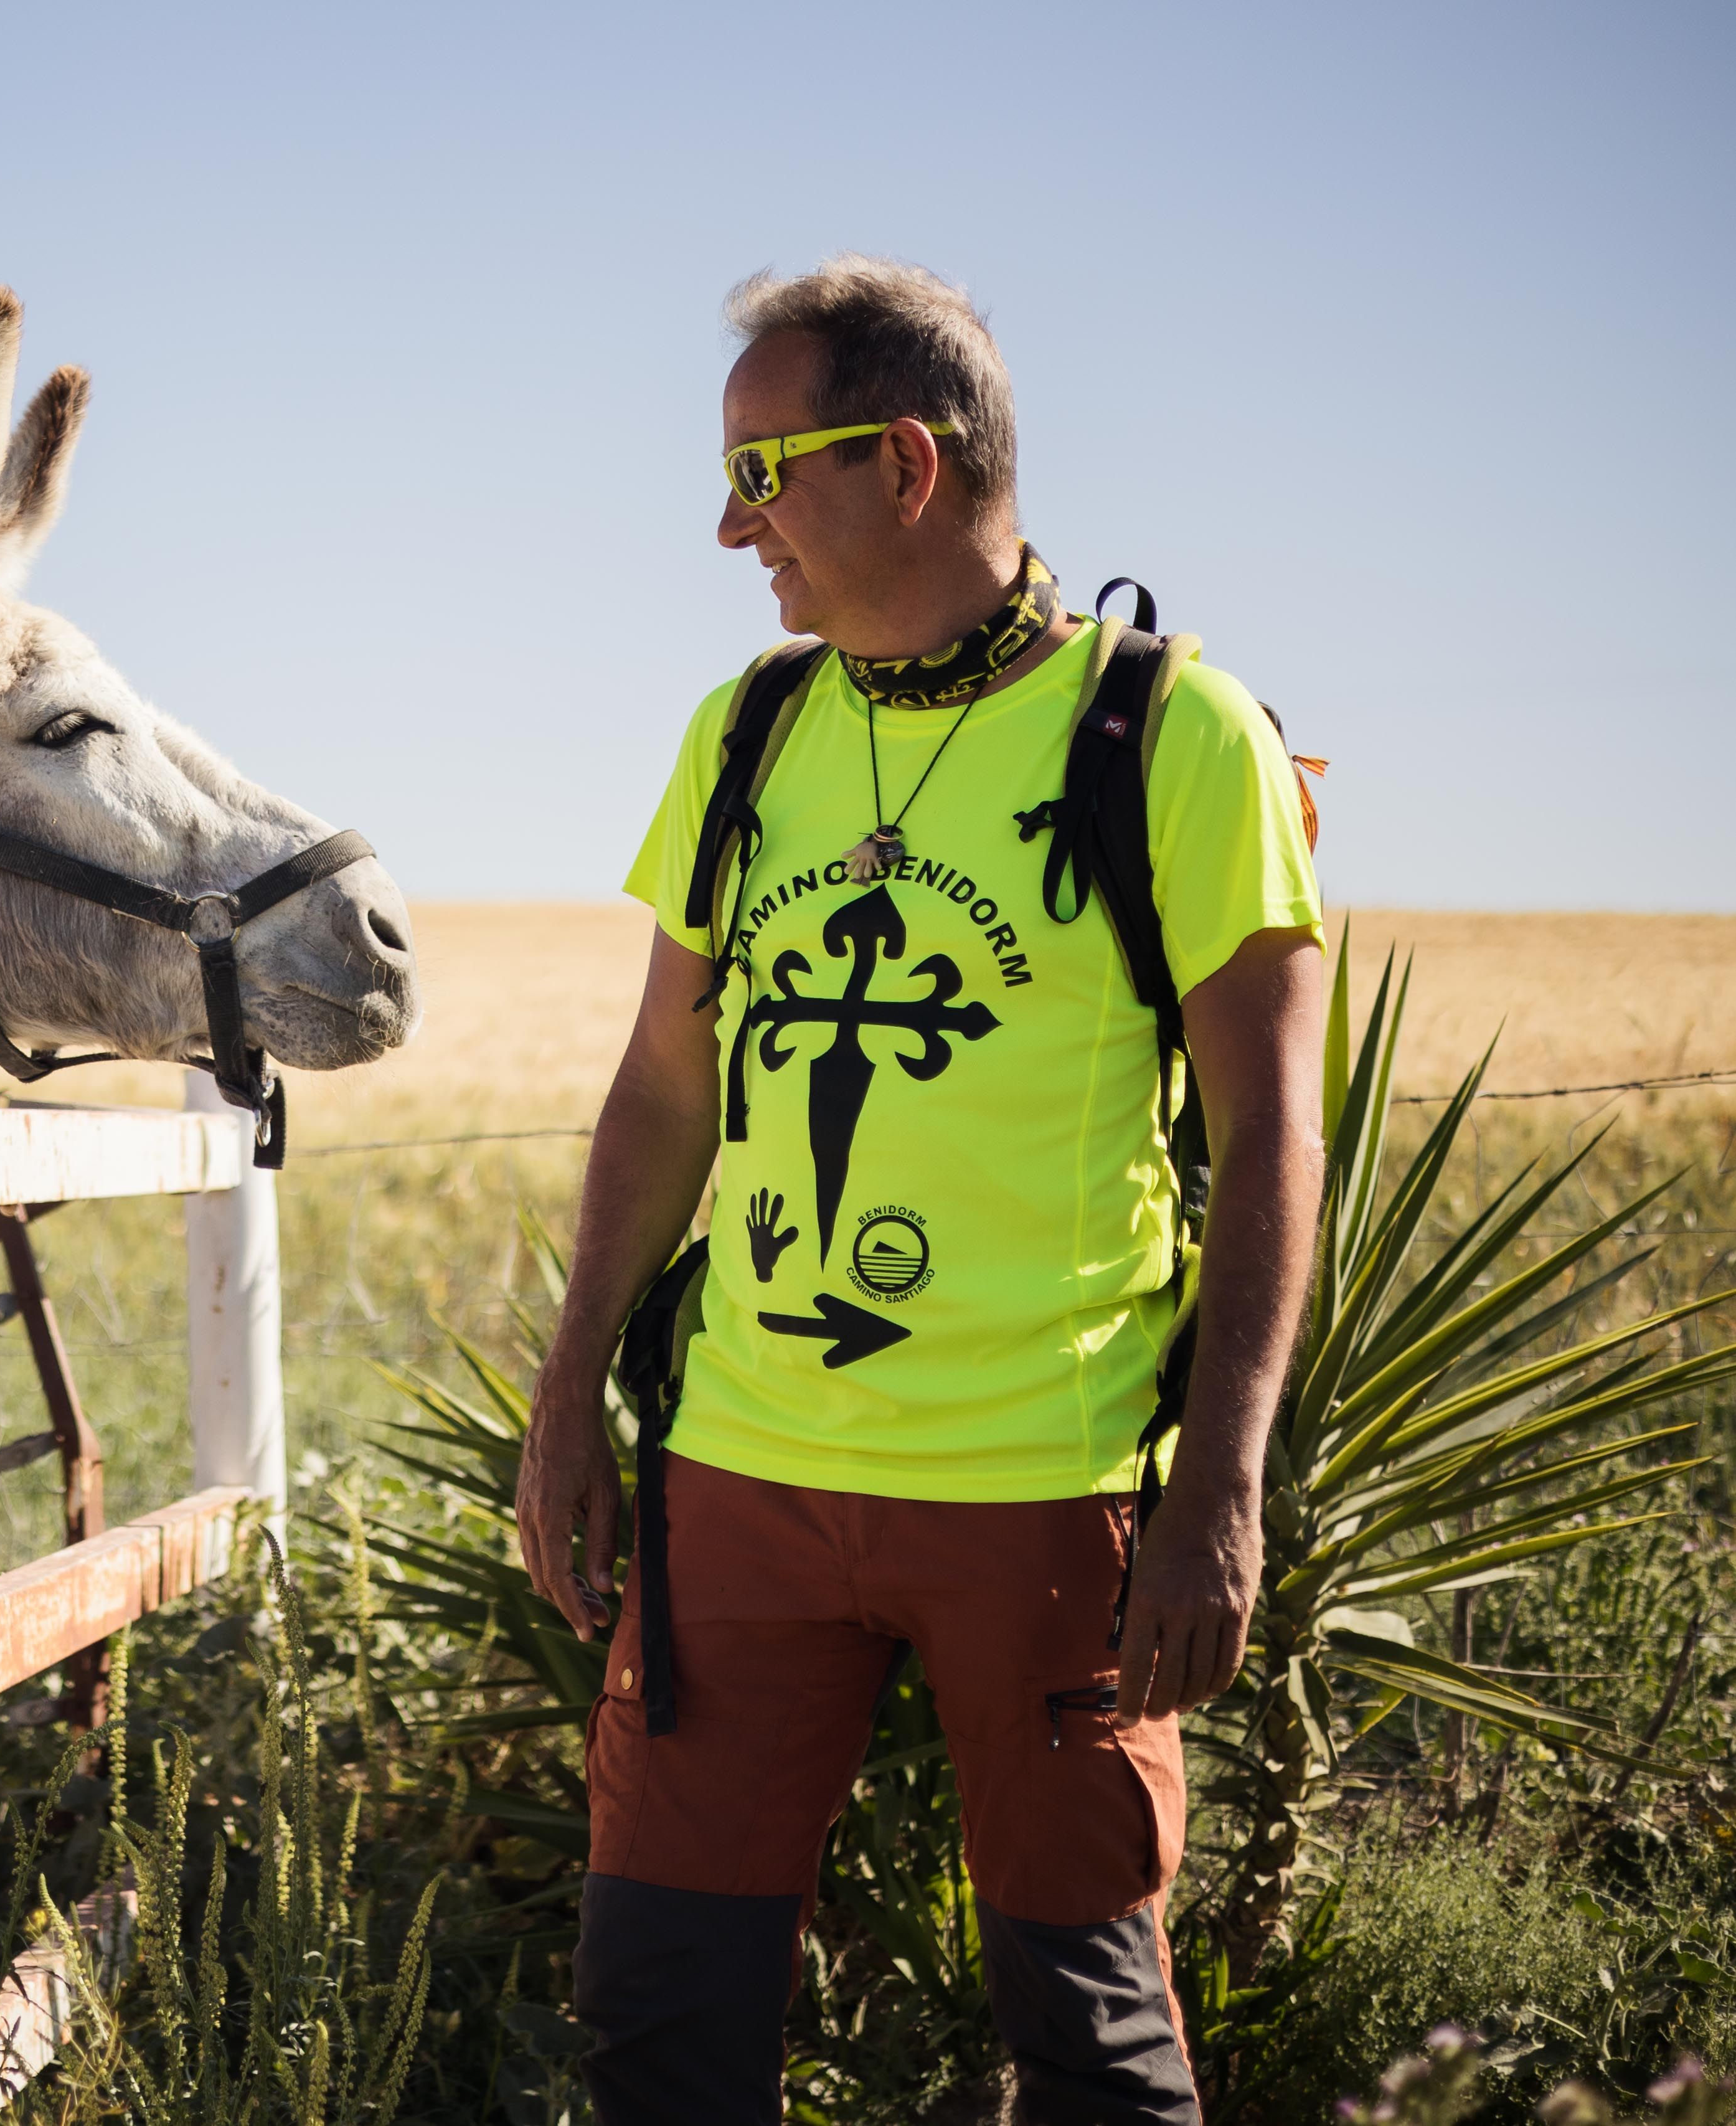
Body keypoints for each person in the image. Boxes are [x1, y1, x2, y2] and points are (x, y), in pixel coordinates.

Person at [517, 257, 1328, 2124]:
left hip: (1046, 1492)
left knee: (1090, 2045)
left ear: (904, 462)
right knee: (656, 2023)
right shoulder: (747, 734)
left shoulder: (1171, 735)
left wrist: (1219, 1487)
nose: (731, 527)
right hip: (739, 1478)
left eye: (764, 472)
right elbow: (664, 1088)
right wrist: (569, 1397)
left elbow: (1273, 1134)